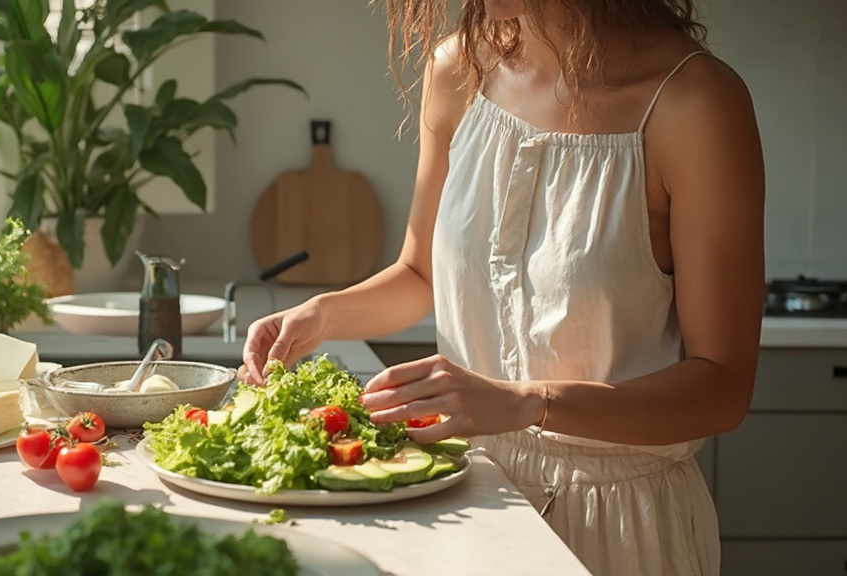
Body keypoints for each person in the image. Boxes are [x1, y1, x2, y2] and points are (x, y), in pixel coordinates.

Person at [240, 1, 765, 574]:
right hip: (465, 501)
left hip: (619, 528)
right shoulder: (458, 71)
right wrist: (322, 315)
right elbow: (421, 275)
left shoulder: (695, 102)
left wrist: (524, 402)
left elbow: (722, 389)